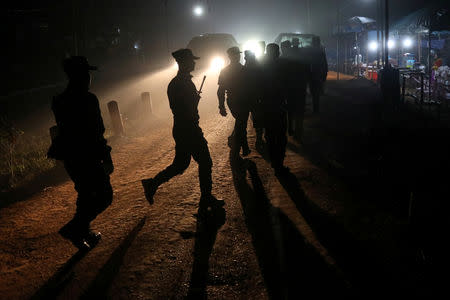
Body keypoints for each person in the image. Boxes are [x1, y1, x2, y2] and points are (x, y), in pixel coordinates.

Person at [141, 49, 223, 211]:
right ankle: (206, 198)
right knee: (205, 162)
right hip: (188, 128)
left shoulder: (180, 82)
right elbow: (182, 109)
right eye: (191, 60)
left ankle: (152, 183)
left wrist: (193, 101)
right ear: (183, 62)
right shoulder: (180, 83)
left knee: (180, 165)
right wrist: (193, 102)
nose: (194, 63)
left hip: (183, 128)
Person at [49, 56, 113, 251]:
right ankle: (75, 228)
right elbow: (96, 132)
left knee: (85, 193)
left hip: (70, 155)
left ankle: (83, 234)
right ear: (82, 76)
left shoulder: (59, 101)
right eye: (87, 74)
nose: (89, 78)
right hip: (88, 155)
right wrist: (107, 157)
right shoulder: (88, 99)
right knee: (104, 196)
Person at [217, 46, 251, 157]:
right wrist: (221, 106)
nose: (237, 56)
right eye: (235, 54)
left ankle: (236, 142)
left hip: (243, 100)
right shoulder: (228, 71)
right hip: (234, 100)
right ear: (230, 56)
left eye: (238, 54)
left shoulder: (244, 70)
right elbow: (221, 90)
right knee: (241, 123)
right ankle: (244, 147)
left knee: (241, 123)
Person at [261, 43, 289, 175]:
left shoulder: (261, 66)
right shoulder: (282, 65)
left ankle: (274, 162)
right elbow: (287, 87)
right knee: (281, 136)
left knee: (270, 136)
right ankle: (279, 163)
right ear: (277, 52)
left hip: (266, 106)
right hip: (279, 106)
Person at [281, 40, 309, 141]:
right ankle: (298, 131)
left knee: (290, 110)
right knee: (299, 111)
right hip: (300, 87)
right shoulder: (301, 56)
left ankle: (290, 129)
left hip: (289, 89)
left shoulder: (283, 59)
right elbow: (307, 70)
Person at [243, 50, 264, 150]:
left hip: (248, 98)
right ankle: (259, 139)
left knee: (242, 120)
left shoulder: (244, 69)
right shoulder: (258, 68)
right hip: (255, 98)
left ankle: (242, 143)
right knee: (257, 118)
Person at [304, 36, 328, 113]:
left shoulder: (310, 51)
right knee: (316, 93)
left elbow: (307, 63)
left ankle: (315, 108)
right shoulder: (321, 51)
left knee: (314, 92)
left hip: (312, 74)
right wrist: (324, 76)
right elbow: (324, 65)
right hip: (318, 75)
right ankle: (316, 108)